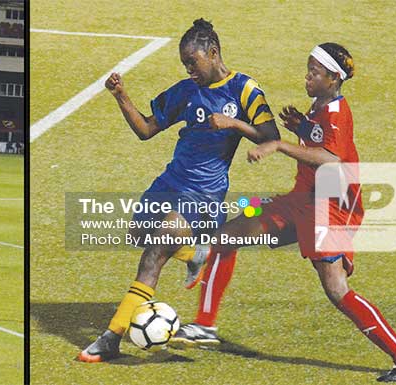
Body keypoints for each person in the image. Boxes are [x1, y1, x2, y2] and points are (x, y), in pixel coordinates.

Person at [175, 43, 396, 382]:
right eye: (308, 68)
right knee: (227, 235)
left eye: (315, 72)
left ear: (334, 79)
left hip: (331, 208)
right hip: (304, 199)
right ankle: (204, 325)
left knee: (336, 289)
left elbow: (331, 158)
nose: (308, 75)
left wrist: (278, 143)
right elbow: (321, 141)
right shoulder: (321, 104)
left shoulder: (337, 112)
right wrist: (301, 128)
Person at [77, 18, 280, 363]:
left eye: (193, 62)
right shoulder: (186, 90)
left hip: (203, 193)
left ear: (213, 53)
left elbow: (271, 136)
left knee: (153, 255)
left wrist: (234, 123)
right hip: (171, 181)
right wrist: (121, 96)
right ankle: (193, 253)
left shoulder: (245, 90)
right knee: (138, 233)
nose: (189, 70)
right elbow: (146, 129)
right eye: (185, 64)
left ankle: (111, 337)